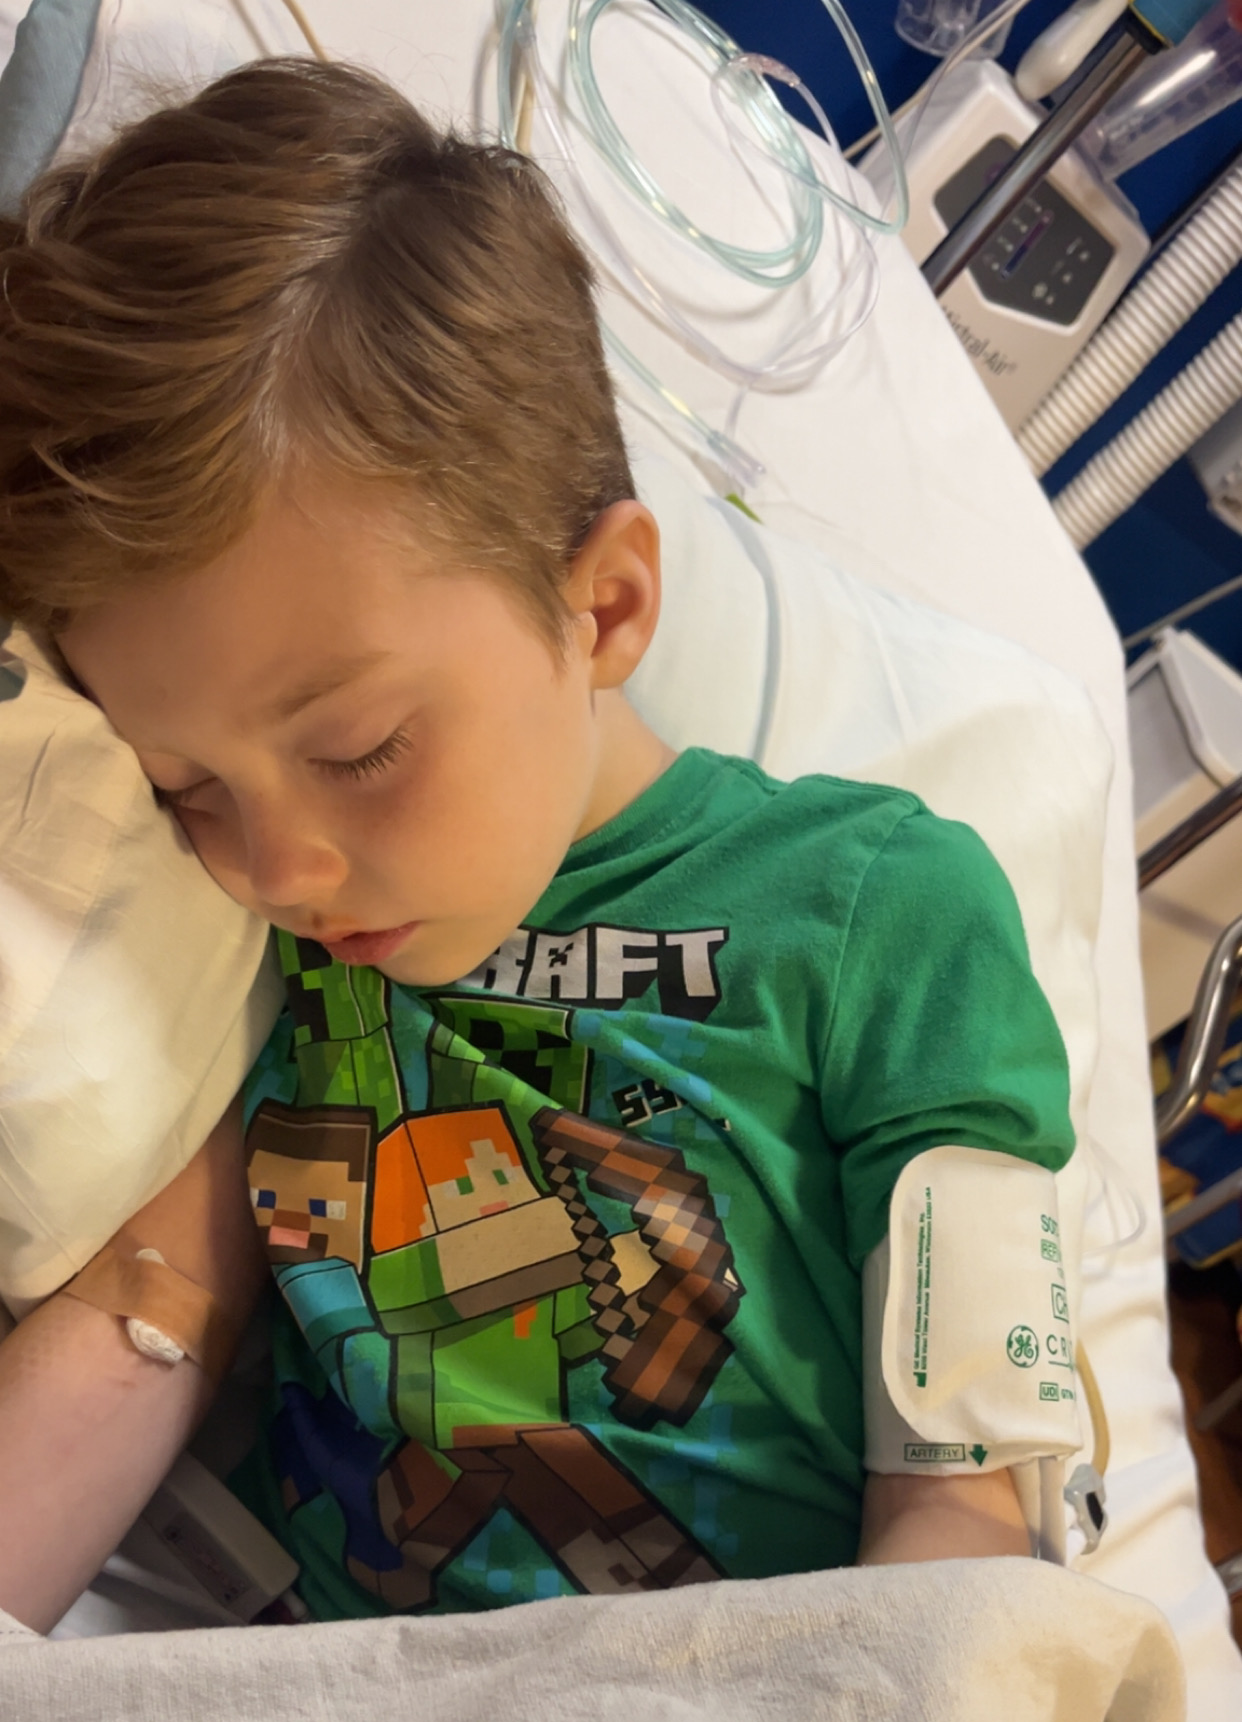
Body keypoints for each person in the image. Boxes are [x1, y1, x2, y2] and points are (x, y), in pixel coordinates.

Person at [0, 58, 1073, 1630]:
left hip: (746, 1715)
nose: (276, 870)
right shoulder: (264, 961)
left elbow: (963, 1505)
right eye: (186, 788)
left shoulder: (873, 913)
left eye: (362, 750)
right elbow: (145, 1314)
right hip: (314, 1718)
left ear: (606, 604)